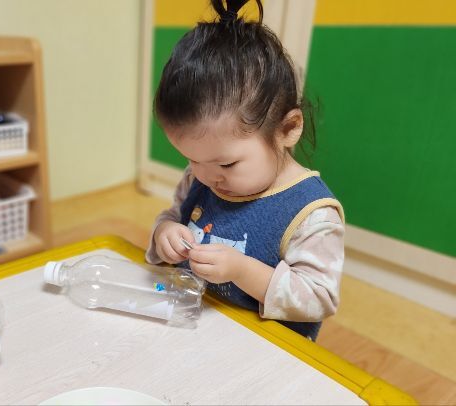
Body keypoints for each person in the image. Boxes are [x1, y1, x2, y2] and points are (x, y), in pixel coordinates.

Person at [146, 0, 344, 340]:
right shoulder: (200, 176)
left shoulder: (311, 214)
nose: (206, 176)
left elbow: (318, 298)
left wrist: (242, 270)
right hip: (195, 328)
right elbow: (174, 215)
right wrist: (164, 232)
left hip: (265, 349)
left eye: (226, 163)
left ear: (287, 129)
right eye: (191, 159)